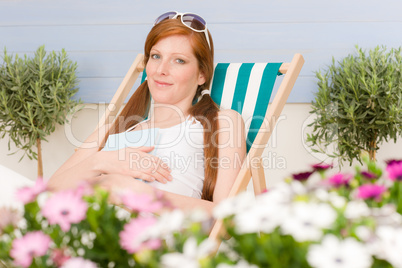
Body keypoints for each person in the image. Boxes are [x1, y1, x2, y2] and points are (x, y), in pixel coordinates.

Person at [48, 11, 246, 214]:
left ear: (202, 74)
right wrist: (102, 161)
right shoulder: (114, 130)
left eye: (179, 60)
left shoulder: (221, 123)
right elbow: (45, 195)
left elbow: (227, 216)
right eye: (156, 56)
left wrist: (133, 191)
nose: (161, 69)